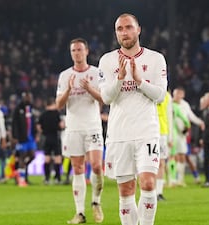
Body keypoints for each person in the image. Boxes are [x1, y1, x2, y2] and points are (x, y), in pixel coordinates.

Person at [99, 13, 167, 225]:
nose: (124, 32)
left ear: (138, 30)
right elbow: (106, 97)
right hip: (119, 134)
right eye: (120, 29)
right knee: (126, 190)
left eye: (128, 27)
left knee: (147, 183)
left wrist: (139, 81)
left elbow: (160, 96)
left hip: (146, 131)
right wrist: (120, 78)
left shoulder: (155, 59)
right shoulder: (107, 60)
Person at [56, 38, 104, 224]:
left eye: (79, 49)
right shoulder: (64, 76)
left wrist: (89, 88)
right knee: (78, 168)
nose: (76, 53)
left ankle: (96, 202)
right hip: (73, 128)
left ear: (86, 51)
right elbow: (58, 104)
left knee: (97, 166)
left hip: (92, 126)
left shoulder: (96, 73)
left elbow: (104, 99)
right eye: (73, 50)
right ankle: (80, 213)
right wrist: (68, 89)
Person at [172, 87, 205, 185]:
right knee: (175, 156)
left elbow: (191, 116)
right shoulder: (169, 104)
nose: (177, 96)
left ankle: (181, 179)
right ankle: (174, 179)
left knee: (183, 156)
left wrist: (200, 123)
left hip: (183, 134)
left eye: (179, 94)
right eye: (176, 94)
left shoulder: (185, 105)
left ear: (183, 95)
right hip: (172, 133)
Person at [12, 92, 37, 187]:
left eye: (30, 97)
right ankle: (22, 180)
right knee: (22, 156)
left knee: (32, 155)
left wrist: (35, 134)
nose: (28, 99)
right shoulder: (18, 109)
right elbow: (15, 124)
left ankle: (19, 172)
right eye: (27, 97)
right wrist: (15, 137)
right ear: (23, 98)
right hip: (21, 138)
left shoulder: (31, 109)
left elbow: (33, 122)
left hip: (31, 138)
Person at [37, 98, 64, 185]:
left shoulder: (43, 114)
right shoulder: (57, 113)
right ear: (53, 103)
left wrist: (43, 132)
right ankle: (57, 178)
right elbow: (61, 126)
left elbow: (39, 127)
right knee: (58, 159)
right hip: (55, 137)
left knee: (47, 158)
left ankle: (47, 178)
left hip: (46, 138)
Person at [156, 91, 173, 200]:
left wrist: (170, 137)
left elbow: (169, 116)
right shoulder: (144, 90)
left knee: (161, 162)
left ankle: (159, 192)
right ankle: (149, 191)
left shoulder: (166, 96)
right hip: (147, 132)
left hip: (162, 133)